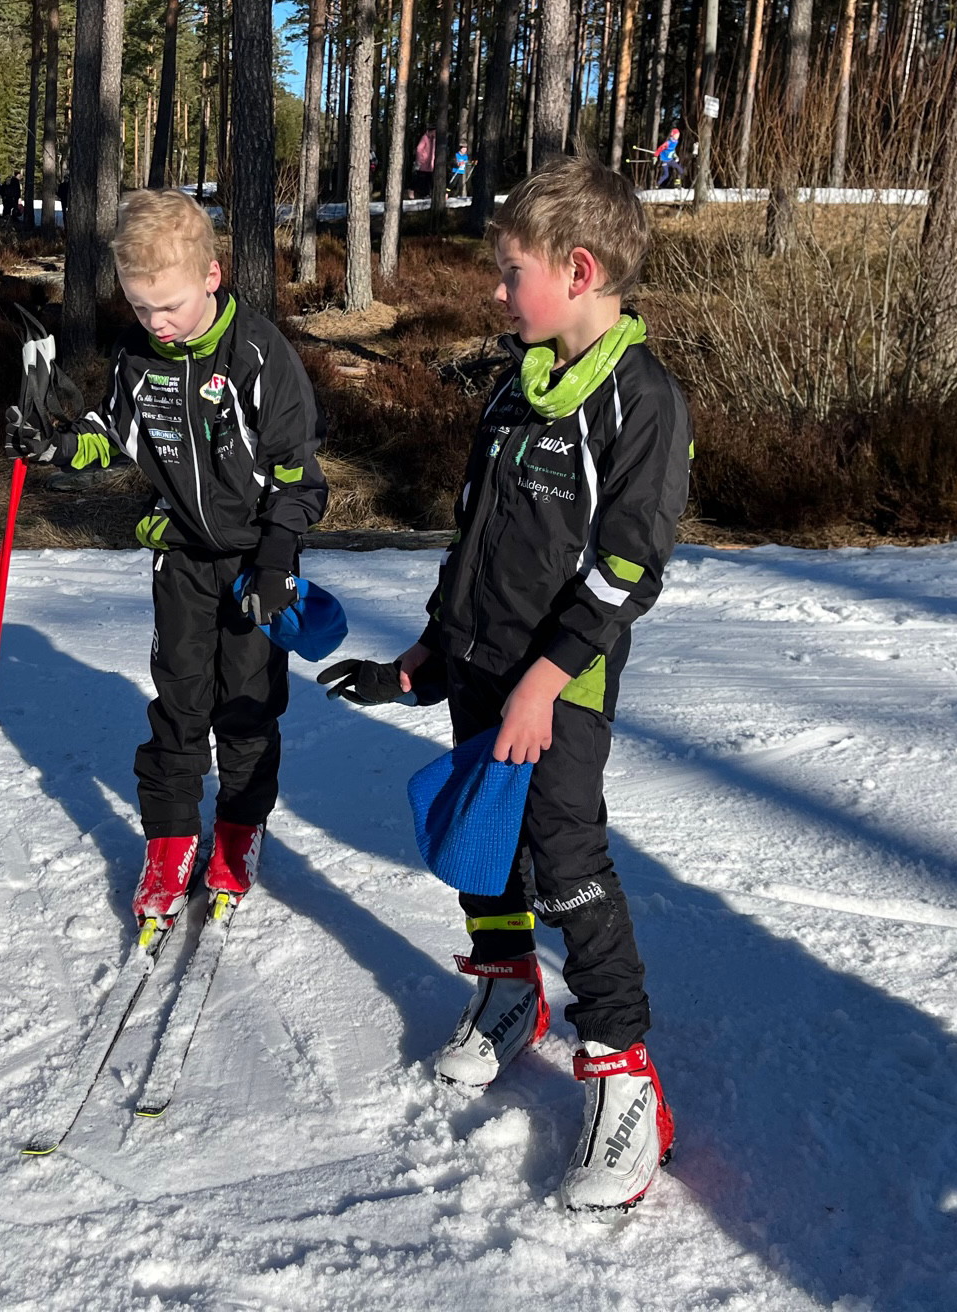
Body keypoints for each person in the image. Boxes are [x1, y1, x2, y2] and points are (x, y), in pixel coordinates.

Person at [318, 154, 692, 1214]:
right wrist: (429, 650)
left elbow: (628, 569)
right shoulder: (513, 385)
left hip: (558, 688)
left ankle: (624, 1071)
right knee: (484, 844)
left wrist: (547, 678)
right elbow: (478, 539)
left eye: (509, 270)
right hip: (480, 664)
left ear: (577, 270)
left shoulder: (642, 401)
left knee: (565, 855)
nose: (494, 289)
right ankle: (508, 989)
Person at [4, 188, 329, 933]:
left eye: (171, 307)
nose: (157, 323)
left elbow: (296, 474)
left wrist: (279, 556)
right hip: (180, 557)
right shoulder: (139, 359)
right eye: (141, 308)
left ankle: (239, 831)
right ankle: (172, 839)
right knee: (179, 704)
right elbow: (111, 436)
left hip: (255, 567)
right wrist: (53, 446)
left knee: (246, 710)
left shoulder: (258, 356)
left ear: (212, 276)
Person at [412, 127, 436, 198]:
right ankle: (422, 194)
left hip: (430, 164)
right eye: (434, 132)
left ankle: (428, 194)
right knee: (422, 179)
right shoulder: (425, 138)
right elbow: (419, 149)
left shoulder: (433, 140)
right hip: (423, 163)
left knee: (429, 179)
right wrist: (420, 159)